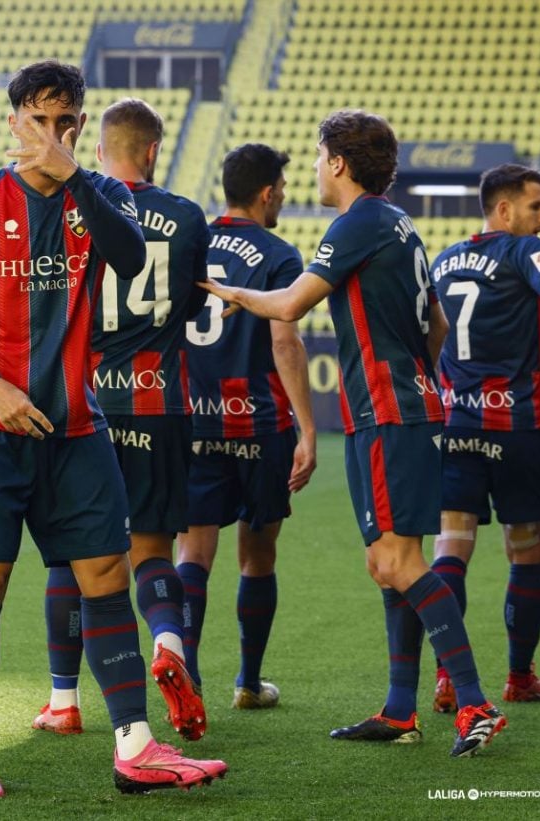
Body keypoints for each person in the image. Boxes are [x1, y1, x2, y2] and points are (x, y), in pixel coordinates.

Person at [0, 61, 227, 797]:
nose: (53, 135)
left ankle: (136, 743)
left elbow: (129, 259)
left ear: (82, 127)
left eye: (67, 123)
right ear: (14, 123)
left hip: (77, 424)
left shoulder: (102, 196)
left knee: (105, 575)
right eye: (39, 121)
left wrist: (76, 177)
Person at [198, 109, 506, 758]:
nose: (312, 168)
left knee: (397, 561)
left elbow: (289, 306)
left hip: (389, 414)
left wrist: (229, 289)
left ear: (338, 163)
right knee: (386, 562)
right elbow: (438, 328)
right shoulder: (399, 224)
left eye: (316, 156)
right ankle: (400, 707)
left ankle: (475, 700)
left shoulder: (359, 222)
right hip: (408, 408)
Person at [30, 97, 210, 742]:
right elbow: (191, 309)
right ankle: (169, 645)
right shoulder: (189, 217)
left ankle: (63, 700)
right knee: (154, 550)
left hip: (79, 401)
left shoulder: (69, 203)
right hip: (158, 400)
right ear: (155, 151)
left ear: (97, 149)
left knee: (66, 560)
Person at [176, 143, 317, 710]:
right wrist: (308, 428)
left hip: (191, 416)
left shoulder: (192, 242)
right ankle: (249, 683)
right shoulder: (279, 254)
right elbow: (284, 338)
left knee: (193, 553)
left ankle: (187, 679)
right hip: (256, 423)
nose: (283, 196)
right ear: (265, 193)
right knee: (258, 554)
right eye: (281, 189)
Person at [429, 163, 540, 713]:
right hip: (517, 429)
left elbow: (429, 334)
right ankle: (518, 676)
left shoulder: (444, 259)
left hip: (457, 425)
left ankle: (446, 677)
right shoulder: (522, 251)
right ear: (505, 210)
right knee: (526, 553)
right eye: (537, 206)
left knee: (451, 549)